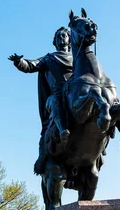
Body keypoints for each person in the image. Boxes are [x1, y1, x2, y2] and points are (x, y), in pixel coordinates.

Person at [8, 27, 73, 174]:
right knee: (55, 101)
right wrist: (19, 62)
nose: (61, 38)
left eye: (64, 35)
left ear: (69, 40)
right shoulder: (49, 58)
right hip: (56, 95)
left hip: (74, 94)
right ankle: (62, 130)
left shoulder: (78, 58)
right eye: (58, 36)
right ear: (54, 42)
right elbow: (31, 65)